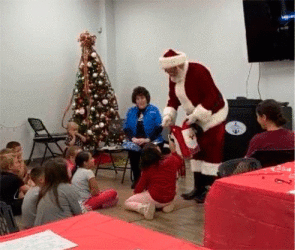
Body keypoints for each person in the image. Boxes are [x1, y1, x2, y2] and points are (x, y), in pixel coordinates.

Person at [159, 49, 228, 203]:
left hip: (213, 114)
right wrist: (169, 115)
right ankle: (198, 188)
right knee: (195, 151)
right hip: (194, 118)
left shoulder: (199, 71)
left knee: (211, 152)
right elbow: (173, 98)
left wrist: (198, 115)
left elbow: (211, 96)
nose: (166, 73)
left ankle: (211, 190)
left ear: (177, 66)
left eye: (168, 70)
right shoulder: (174, 77)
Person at [124, 139, 183, 220]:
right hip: (170, 196)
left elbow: (140, 187)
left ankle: (144, 208)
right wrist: (174, 151)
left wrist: (135, 193)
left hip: (155, 197)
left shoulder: (147, 168)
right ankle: (168, 204)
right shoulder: (172, 160)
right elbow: (180, 161)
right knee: (176, 184)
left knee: (127, 202)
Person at [123, 86, 164, 188]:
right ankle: (137, 179)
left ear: (146, 98)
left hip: (152, 139)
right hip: (135, 140)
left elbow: (159, 127)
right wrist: (133, 139)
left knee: (149, 150)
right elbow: (126, 128)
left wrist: (147, 139)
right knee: (133, 150)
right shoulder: (131, 111)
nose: (140, 101)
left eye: (142, 98)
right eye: (137, 99)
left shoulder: (154, 110)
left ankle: (151, 179)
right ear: (135, 100)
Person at [34, 158, 82, 226]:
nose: (70, 168)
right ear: (63, 172)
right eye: (67, 167)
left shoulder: (45, 189)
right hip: (60, 228)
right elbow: (79, 213)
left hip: (42, 230)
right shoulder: (67, 187)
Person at [0, 149, 30, 215]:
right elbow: (28, 190)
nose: (19, 164)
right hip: (11, 208)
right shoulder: (14, 178)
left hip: (3, 207)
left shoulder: (3, 175)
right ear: (10, 167)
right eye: (17, 163)